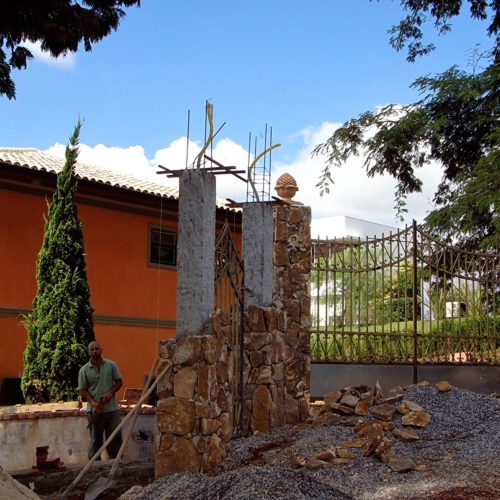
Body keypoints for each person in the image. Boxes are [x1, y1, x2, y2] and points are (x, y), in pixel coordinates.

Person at [78, 340, 123, 460]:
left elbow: (119, 382)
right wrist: (92, 402)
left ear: (101, 350)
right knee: (95, 440)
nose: (95, 351)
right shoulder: (84, 370)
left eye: (97, 349)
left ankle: (116, 463)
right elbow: (83, 390)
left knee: (115, 438)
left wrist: (110, 392)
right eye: (92, 350)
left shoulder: (111, 365)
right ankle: (93, 465)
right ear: (88, 352)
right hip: (94, 411)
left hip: (112, 409)